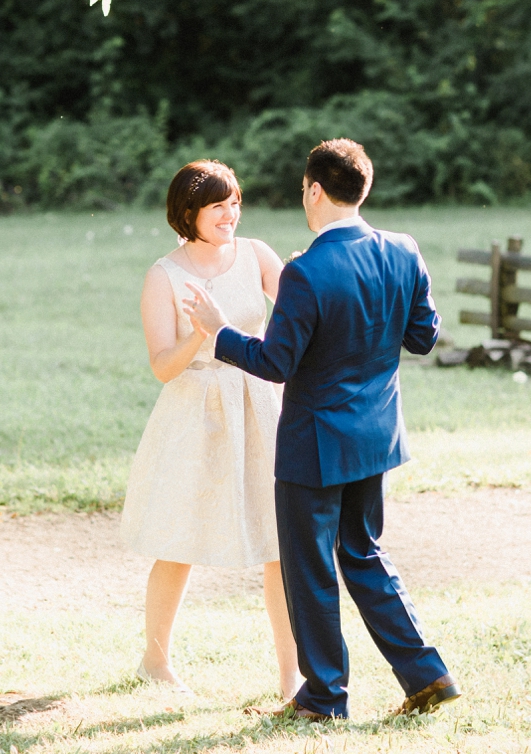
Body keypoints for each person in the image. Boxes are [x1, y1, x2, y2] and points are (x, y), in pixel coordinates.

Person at [183, 138, 461, 721]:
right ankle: (427, 673)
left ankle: (324, 698)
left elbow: (276, 364)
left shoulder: (306, 272)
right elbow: (423, 336)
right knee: (363, 553)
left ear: (314, 190)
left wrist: (219, 329)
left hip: (313, 444)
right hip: (377, 437)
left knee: (310, 570)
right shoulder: (404, 251)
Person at [120, 159, 302, 701]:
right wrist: (206, 334)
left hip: (259, 402)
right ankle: (155, 660)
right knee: (180, 536)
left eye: (235, 202)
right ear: (189, 213)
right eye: (218, 205)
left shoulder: (256, 254)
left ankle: (292, 675)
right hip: (194, 409)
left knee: (279, 540)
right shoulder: (164, 275)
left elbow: (298, 313)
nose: (231, 214)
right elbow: (161, 366)